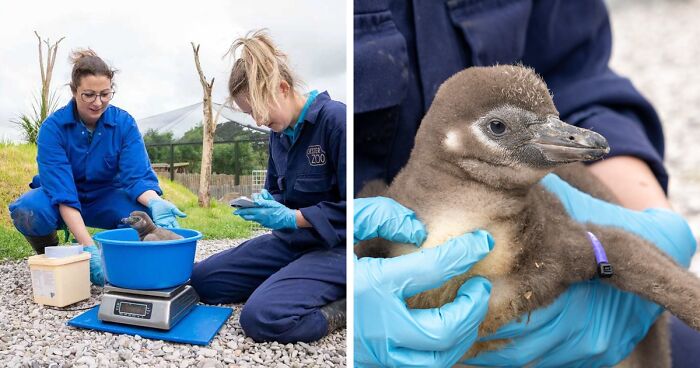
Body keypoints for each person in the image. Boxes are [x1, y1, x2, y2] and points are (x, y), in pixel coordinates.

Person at [353, 1, 698, 366]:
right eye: (498, 128)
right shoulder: (386, 221)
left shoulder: (538, 232)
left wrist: (651, 223)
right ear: (454, 140)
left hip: (578, 319)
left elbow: (579, 74)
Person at [189, 30, 346, 344]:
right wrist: (264, 204)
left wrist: (293, 218)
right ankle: (290, 282)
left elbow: (359, 211)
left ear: (283, 88)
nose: (258, 120)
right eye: (250, 113)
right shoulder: (279, 133)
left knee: (263, 318)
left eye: (259, 110)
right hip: (291, 242)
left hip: (337, 249)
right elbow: (276, 191)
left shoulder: (335, 121)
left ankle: (341, 308)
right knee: (200, 281)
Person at [8, 49, 186, 286]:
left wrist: (154, 201)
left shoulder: (124, 123)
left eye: (105, 94)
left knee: (146, 217)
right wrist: (88, 248)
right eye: (89, 95)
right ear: (74, 91)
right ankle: (49, 253)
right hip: (60, 199)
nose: (98, 102)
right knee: (28, 209)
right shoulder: (53, 128)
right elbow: (63, 193)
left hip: (106, 197)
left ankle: (131, 259)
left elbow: (136, 177)